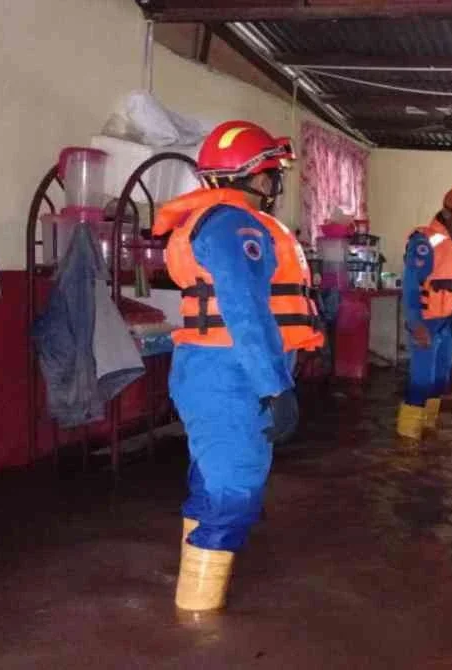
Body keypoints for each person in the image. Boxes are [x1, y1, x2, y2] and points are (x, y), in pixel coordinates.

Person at [152, 120, 323, 612]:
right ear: (257, 176)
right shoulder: (235, 224)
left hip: (223, 369)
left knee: (214, 482)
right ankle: (198, 623)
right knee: (236, 491)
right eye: (273, 172)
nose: (275, 183)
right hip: (231, 373)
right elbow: (244, 311)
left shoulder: (227, 221)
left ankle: (191, 599)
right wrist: (276, 387)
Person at [396, 187, 452, 440]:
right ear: (447, 211)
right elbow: (411, 284)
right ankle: (407, 439)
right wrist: (415, 323)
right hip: (427, 322)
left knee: (441, 379)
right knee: (422, 379)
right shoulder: (425, 241)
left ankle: (427, 430)